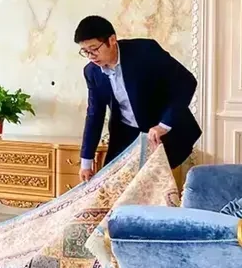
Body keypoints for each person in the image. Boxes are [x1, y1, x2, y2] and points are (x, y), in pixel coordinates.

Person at [74, 15, 200, 180]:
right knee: (111, 183)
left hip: (164, 132)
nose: (91, 56)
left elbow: (187, 82)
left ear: (112, 40)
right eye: (85, 51)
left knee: (153, 186)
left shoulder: (145, 52)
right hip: (126, 136)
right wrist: (86, 162)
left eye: (94, 49)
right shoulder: (92, 72)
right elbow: (94, 114)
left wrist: (163, 125)